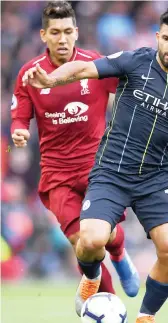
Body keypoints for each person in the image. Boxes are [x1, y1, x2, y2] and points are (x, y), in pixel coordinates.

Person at [22, 4, 168, 323]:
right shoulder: (135, 61)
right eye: (167, 38)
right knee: (90, 241)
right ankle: (90, 278)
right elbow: (80, 70)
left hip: (155, 177)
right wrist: (50, 79)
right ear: (158, 37)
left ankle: (145, 317)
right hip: (111, 171)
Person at [11, 1, 140, 299]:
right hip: (58, 175)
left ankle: (119, 254)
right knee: (82, 243)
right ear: (43, 35)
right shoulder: (29, 73)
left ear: (76, 32)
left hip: (98, 170)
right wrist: (18, 131)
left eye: (68, 31)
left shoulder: (94, 64)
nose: (62, 39)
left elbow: (125, 93)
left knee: (102, 237)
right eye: (55, 32)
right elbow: (20, 114)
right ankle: (108, 302)